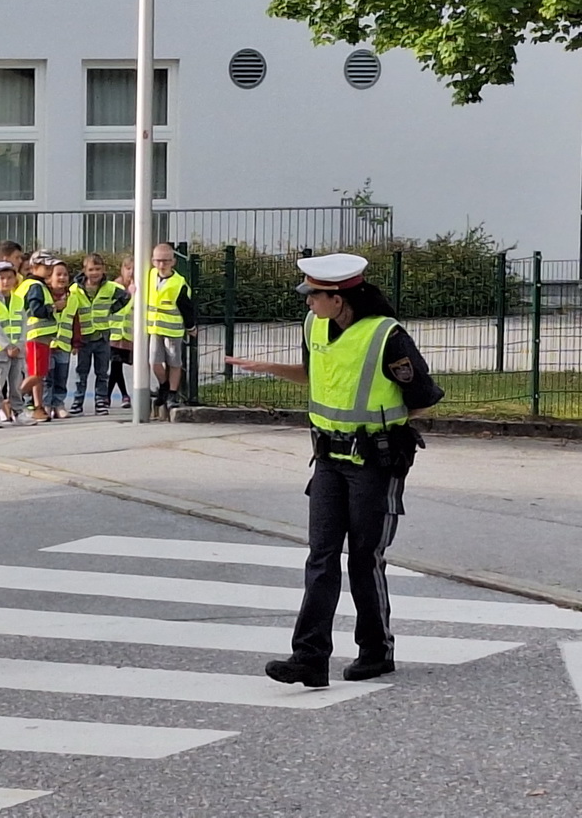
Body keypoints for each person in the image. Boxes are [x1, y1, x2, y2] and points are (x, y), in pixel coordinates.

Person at [225, 253, 443, 687]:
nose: (308, 303)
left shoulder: (386, 336)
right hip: (327, 459)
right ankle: (309, 658)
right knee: (321, 558)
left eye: (314, 296)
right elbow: (314, 373)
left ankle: (376, 650)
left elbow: (423, 395)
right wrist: (268, 368)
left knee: (365, 559)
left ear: (340, 299)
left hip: (374, 463)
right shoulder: (314, 326)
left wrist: (385, 427)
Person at [70, 254, 130, 416]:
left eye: (98, 269)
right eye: (91, 270)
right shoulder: (75, 289)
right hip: (84, 338)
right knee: (82, 371)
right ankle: (78, 401)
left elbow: (125, 296)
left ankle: (101, 401)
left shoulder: (110, 287)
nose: (94, 273)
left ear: (103, 270)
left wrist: (112, 309)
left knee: (102, 372)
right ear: (84, 270)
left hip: (102, 337)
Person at [147, 242, 196, 420]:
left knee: (175, 362)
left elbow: (186, 307)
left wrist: (191, 327)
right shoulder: (150, 276)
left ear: (173, 262)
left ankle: (172, 394)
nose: (162, 264)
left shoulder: (178, 283)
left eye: (166, 261)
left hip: (174, 330)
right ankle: (164, 385)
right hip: (154, 328)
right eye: (159, 261)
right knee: (154, 361)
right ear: (153, 261)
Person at [0, 261, 35, 427]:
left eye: (9, 278)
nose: (5, 282)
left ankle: (18, 411)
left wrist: (19, 345)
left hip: (17, 350)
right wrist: (7, 346)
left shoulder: (18, 300)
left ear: (15, 280)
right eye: (2, 278)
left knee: (15, 382)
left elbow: (23, 324)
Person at [15, 250, 57, 422]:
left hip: (37, 336)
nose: (49, 270)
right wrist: (53, 307)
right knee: (38, 374)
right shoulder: (35, 286)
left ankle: (38, 407)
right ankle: (12, 399)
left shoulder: (31, 285)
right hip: (36, 335)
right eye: (46, 266)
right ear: (35, 267)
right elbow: (36, 309)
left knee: (37, 373)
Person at [46, 259, 81, 420]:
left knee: (61, 377)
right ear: (49, 278)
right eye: (58, 274)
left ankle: (58, 403)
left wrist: (75, 342)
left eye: (65, 274)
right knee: (47, 378)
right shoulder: (45, 295)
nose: (62, 278)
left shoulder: (73, 297)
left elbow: (75, 321)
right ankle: (46, 404)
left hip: (64, 344)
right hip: (48, 343)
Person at [108, 255, 136, 409]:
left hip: (128, 335)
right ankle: (122, 395)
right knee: (116, 364)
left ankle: (110, 395)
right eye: (128, 268)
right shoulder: (114, 287)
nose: (131, 272)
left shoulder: (138, 288)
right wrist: (129, 294)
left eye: (134, 269)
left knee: (117, 366)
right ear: (122, 269)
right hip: (113, 333)